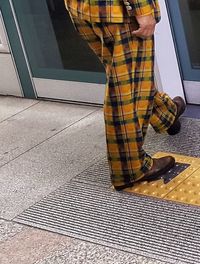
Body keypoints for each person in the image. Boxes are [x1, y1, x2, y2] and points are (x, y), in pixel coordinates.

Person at [63, 0, 185, 191]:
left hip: (81, 9)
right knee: (124, 90)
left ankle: (165, 114)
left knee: (128, 77)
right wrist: (142, 10)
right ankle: (130, 168)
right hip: (118, 13)